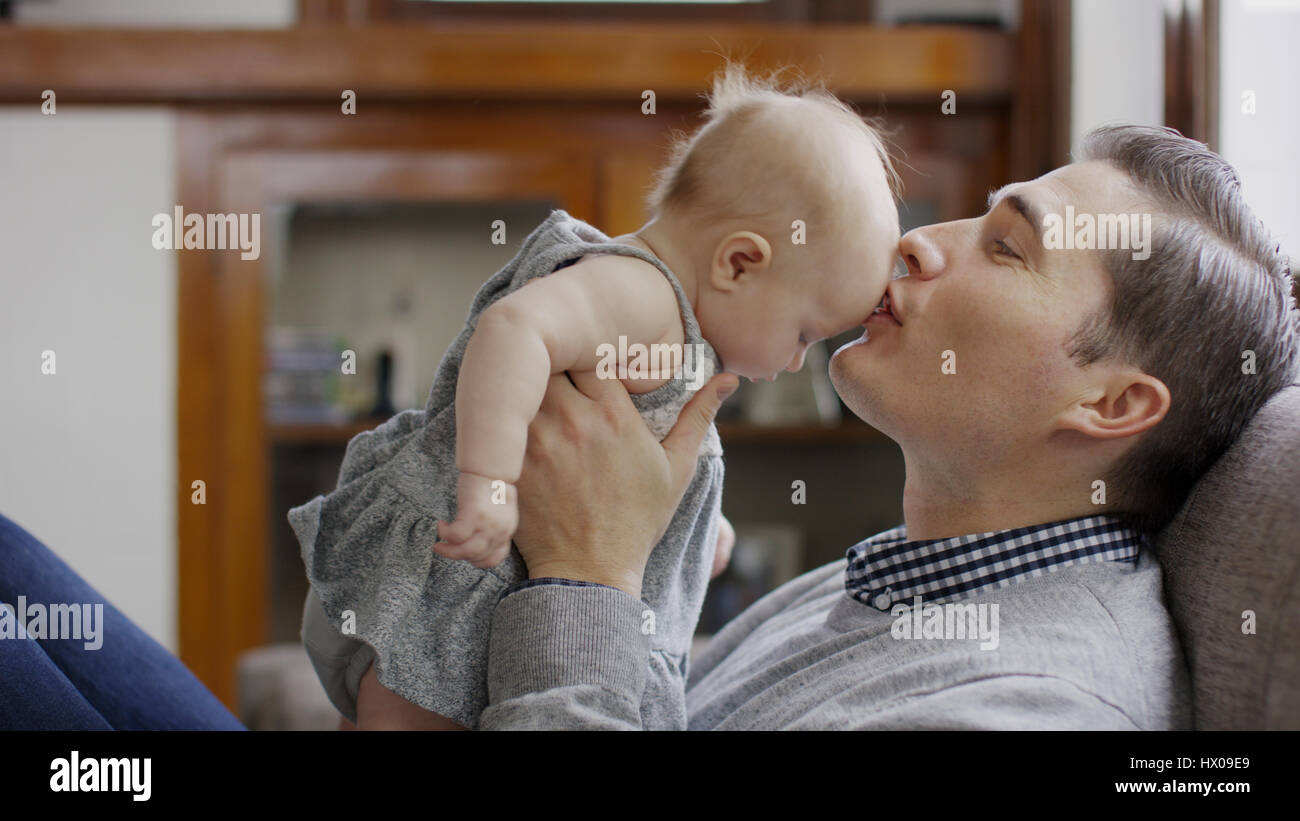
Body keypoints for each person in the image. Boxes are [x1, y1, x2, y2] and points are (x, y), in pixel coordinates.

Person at [473, 124, 1299, 729]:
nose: (914, 243)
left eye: (1007, 247)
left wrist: (586, 579)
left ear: (1112, 405)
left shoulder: (1032, 710)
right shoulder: (893, 577)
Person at [288, 62, 902, 731]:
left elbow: (642, 458)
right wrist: (487, 481)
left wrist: (700, 525)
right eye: (805, 332)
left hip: (488, 593)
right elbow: (514, 329)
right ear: (738, 263)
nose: (794, 360)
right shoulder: (644, 299)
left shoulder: (675, 324)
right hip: (458, 582)